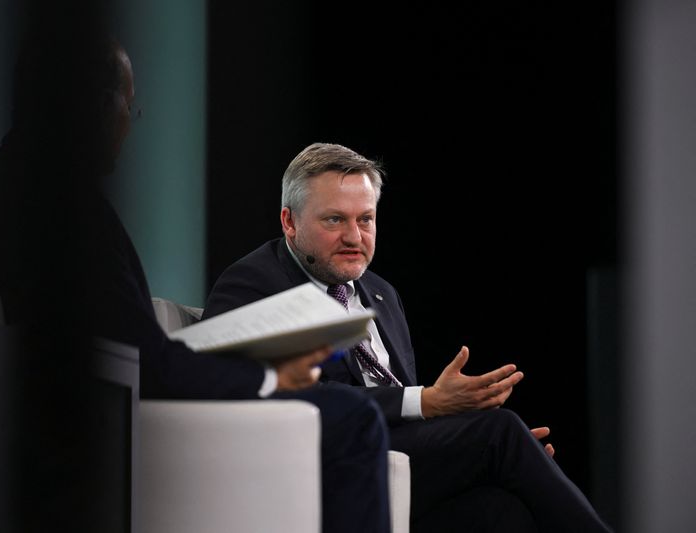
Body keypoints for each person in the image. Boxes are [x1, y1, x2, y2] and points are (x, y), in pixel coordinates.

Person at [0, 18, 391, 533]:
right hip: (113, 425)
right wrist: (271, 376)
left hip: (45, 421)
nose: (128, 124)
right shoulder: (63, 212)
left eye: (365, 219)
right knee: (352, 417)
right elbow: (148, 364)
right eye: (127, 106)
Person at [203, 142, 615, 533]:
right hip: (322, 465)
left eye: (365, 219)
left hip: (393, 463)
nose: (354, 236)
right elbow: (277, 396)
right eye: (334, 220)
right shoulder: (255, 284)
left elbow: (406, 418)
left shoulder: (381, 293)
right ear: (289, 222)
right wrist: (431, 404)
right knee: (500, 434)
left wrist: (508, 459)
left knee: (504, 509)